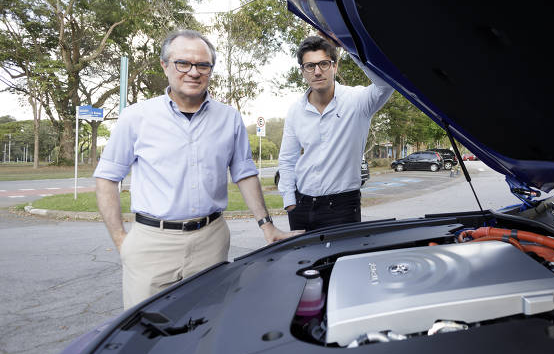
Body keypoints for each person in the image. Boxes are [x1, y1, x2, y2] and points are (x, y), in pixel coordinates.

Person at [94, 29, 300, 310]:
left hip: (211, 242)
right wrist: (121, 241)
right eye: (183, 63)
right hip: (152, 244)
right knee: (148, 329)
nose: (193, 72)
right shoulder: (136, 117)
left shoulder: (229, 118)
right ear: (165, 65)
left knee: (207, 324)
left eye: (203, 65)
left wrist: (267, 226)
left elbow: (244, 173)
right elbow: (107, 178)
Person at [278, 35, 394, 230]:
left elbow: (386, 82)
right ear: (302, 71)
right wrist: (290, 201)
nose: (317, 72)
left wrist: (349, 46)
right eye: (310, 66)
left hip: (342, 208)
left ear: (335, 66)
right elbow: (287, 159)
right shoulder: (295, 110)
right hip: (301, 206)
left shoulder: (358, 101)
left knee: (344, 252)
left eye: (324, 64)